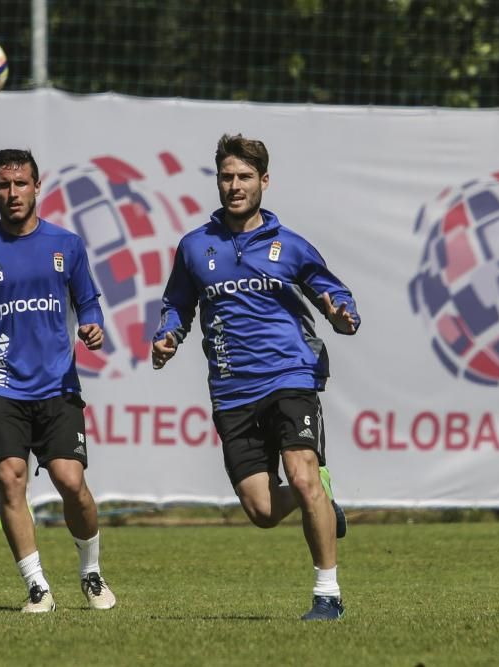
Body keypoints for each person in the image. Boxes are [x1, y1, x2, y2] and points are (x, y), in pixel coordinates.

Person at [151, 134, 358, 621]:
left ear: (264, 182)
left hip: (291, 376)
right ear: (218, 182)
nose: (235, 186)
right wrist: (167, 337)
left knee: (302, 474)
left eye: (245, 177)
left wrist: (342, 313)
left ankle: (327, 595)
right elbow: (176, 305)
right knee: (262, 512)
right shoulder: (194, 247)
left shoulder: (291, 247)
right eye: (227, 177)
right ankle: (322, 503)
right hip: (231, 390)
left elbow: (335, 297)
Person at [0, 149, 116, 613]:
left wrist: (92, 325)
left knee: (70, 481)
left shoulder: (67, 245)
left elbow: (88, 300)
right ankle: (37, 586)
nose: (12, 193)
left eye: (20, 184)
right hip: (0, 385)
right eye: (3, 185)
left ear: (37, 186)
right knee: (10, 481)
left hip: (57, 385)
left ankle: (91, 573)